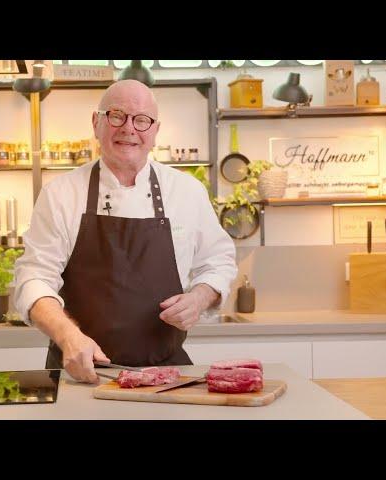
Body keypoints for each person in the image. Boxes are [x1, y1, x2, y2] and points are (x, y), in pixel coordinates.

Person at [14, 79, 237, 383]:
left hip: (166, 375)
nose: (129, 128)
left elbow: (219, 261)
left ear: (155, 131)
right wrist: (67, 336)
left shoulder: (187, 191)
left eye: (141, 120)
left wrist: (199, 298)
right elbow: (33, 278)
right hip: (79, 373)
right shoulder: (60, 194)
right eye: (116, 115)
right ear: (97, 123)